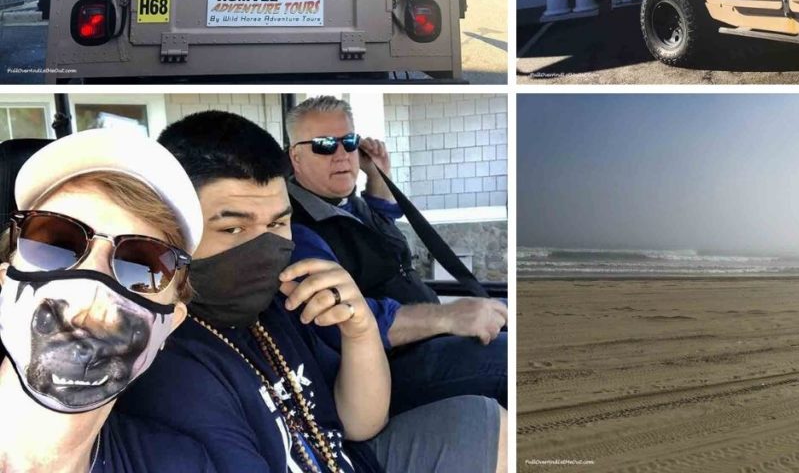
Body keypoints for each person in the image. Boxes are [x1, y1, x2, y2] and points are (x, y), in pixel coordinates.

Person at [119, 111, 506, 473]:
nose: (264, 248)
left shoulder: (280, 304)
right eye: (233, 229)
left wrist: (361, 331)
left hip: (346, 456)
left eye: (277, 223)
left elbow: (360, 424)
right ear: (171, 230)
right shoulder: (174, 370)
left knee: (487, 420)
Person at [0, 129, 215, 472]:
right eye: (54, 242)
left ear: (171, 323)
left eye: (144, 263)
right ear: (4, 282)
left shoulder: (179, 464)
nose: (89, 297)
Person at [286, 95, 508, 414]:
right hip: (384, 370)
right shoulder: (298, 227)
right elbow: (339, 318)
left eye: (349, 142)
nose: (342, 155)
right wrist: (447, 316)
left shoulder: (344, 204)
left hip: (426, 340)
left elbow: (383, 225)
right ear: (296, 156)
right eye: (324, 145)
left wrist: (377, 175)